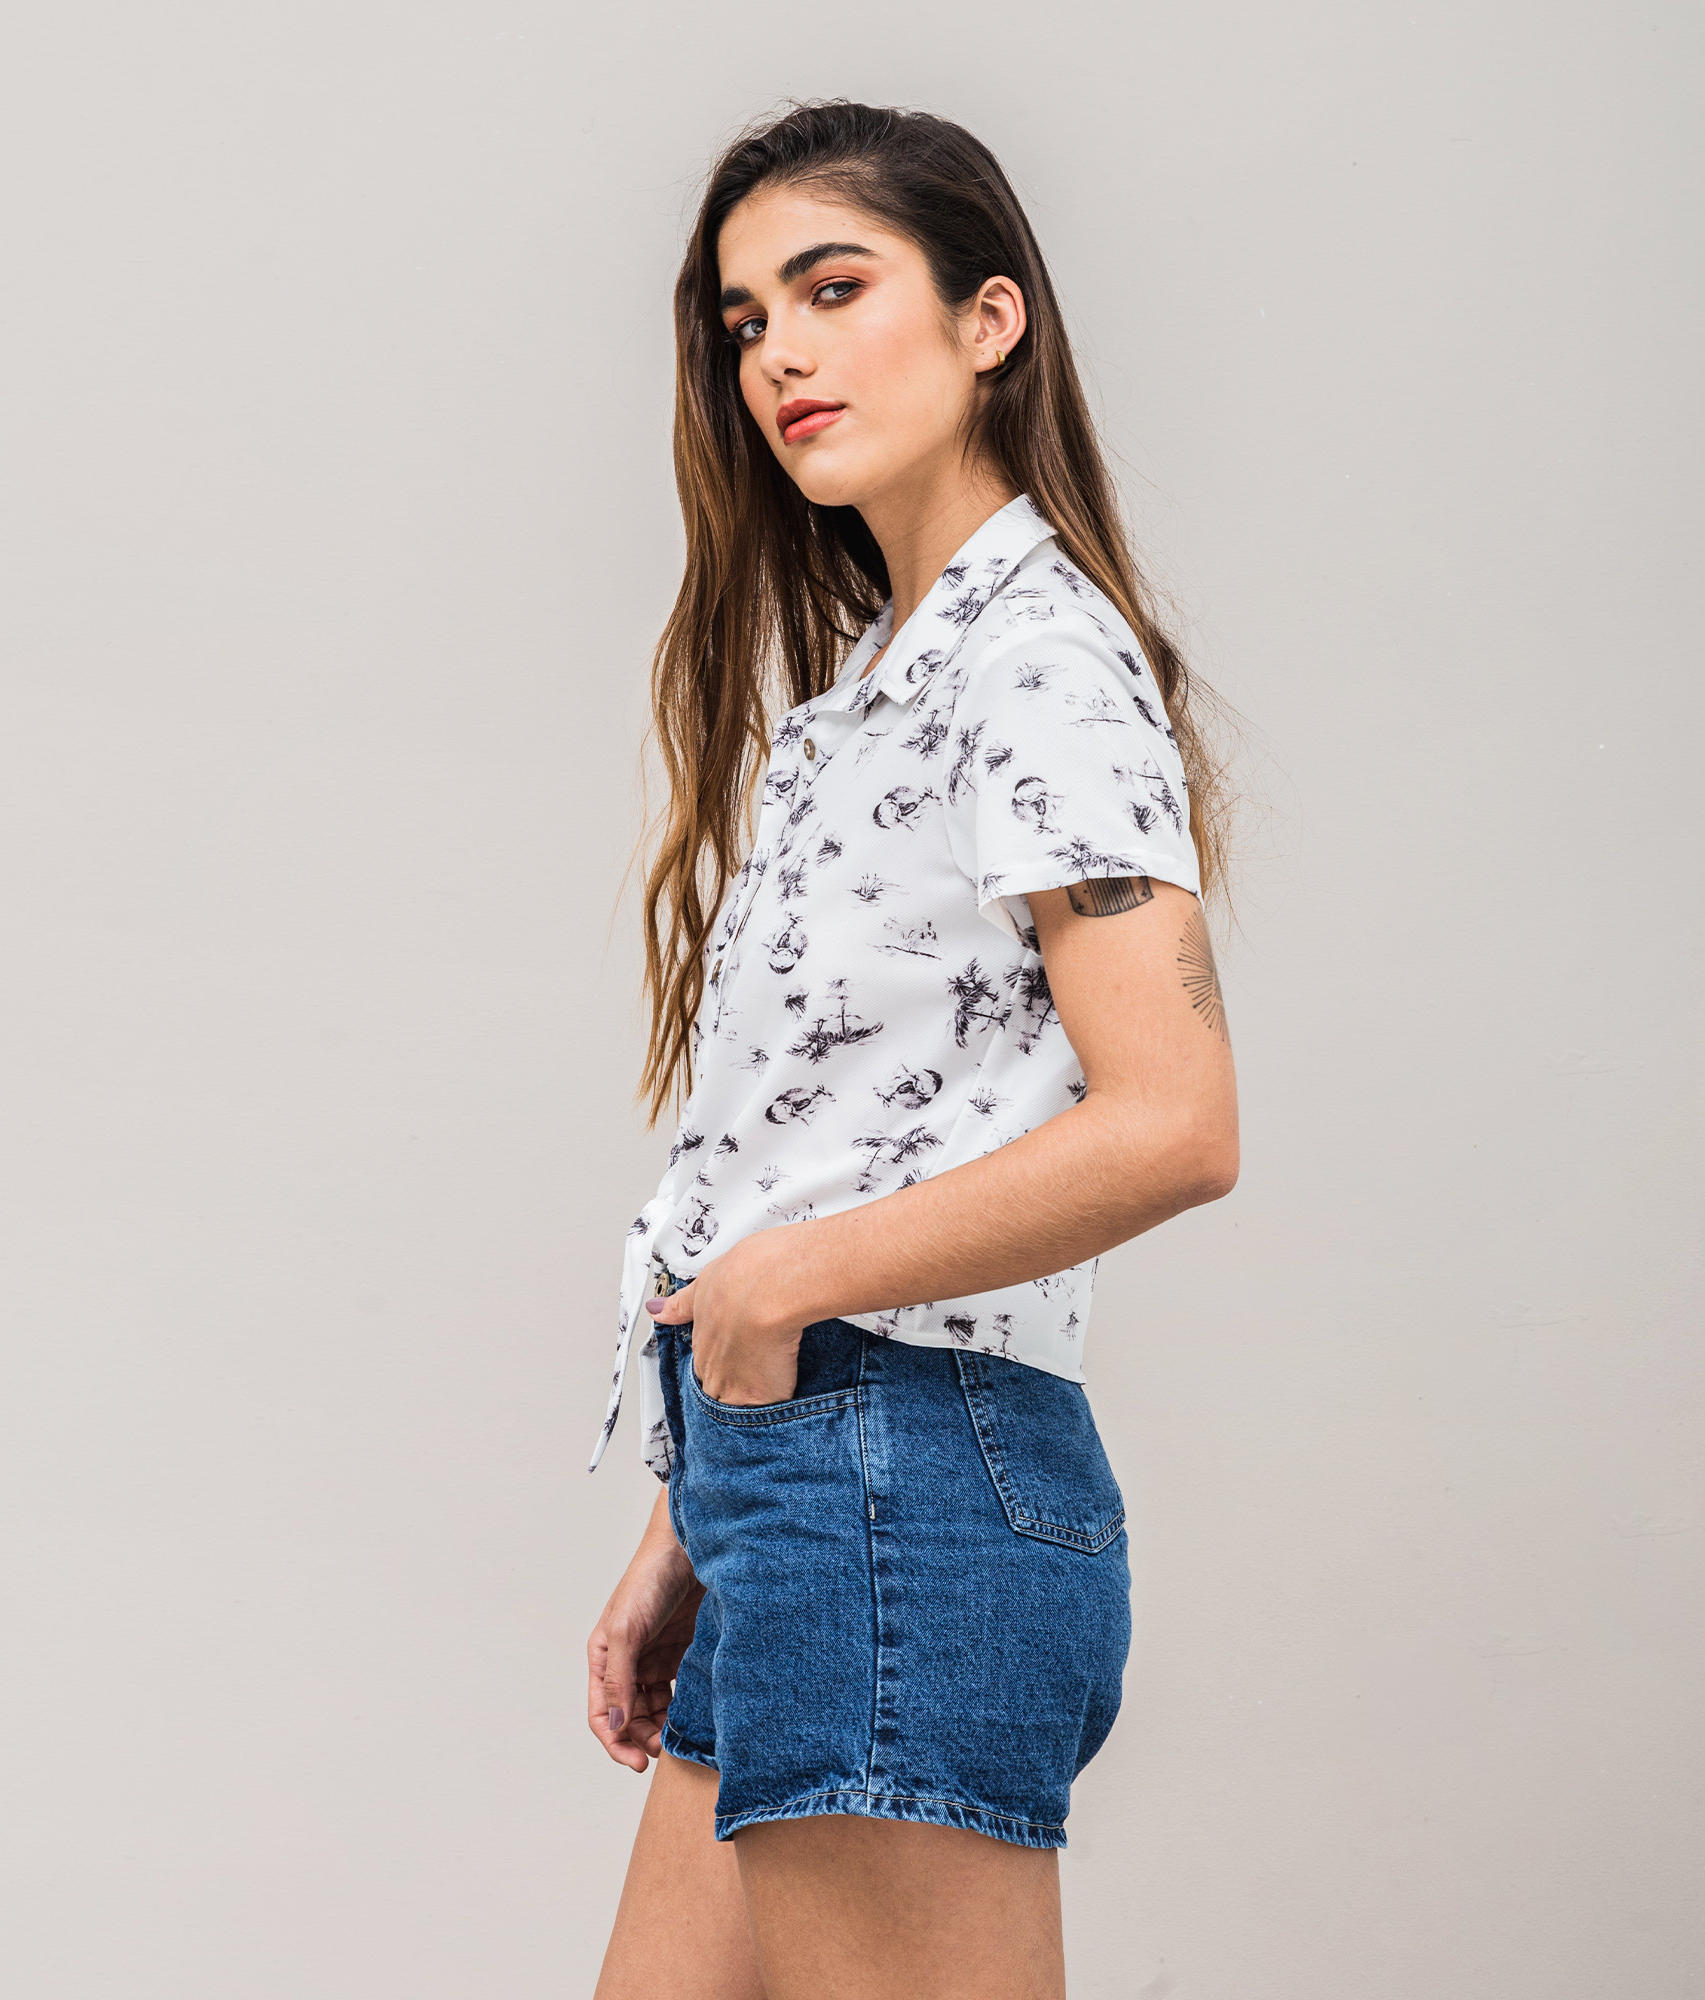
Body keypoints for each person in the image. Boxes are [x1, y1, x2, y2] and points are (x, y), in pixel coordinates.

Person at [585, 100, 1239, 2000]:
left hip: (905, 1478)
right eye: (744, 321)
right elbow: (839, 1134)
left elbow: (1177, 1122)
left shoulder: (1037, 660)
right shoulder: (889, 679)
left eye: (833, 288)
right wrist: (691, 1511)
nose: (777, 355)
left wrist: (775, 1292)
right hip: (800, 1479)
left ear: (988, 319)